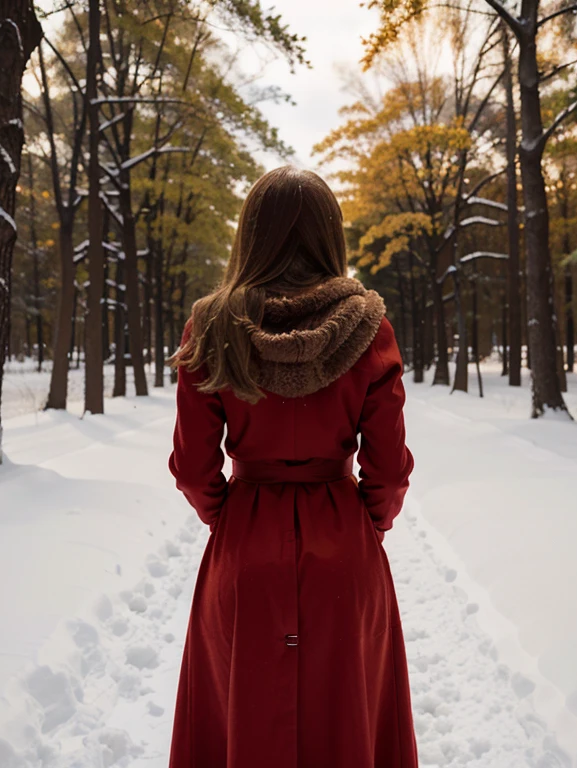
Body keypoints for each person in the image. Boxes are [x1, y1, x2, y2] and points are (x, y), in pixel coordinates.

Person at [167, 165, 418, 767]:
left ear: (250, 233)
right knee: (346, 717)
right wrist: (366, 527)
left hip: (246, 541)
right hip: (343, 546)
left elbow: (191, 465)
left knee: (243, 715)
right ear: (330, 233)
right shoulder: (368, 326)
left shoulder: (214, 324)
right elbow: (389, 469)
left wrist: (228, 520)